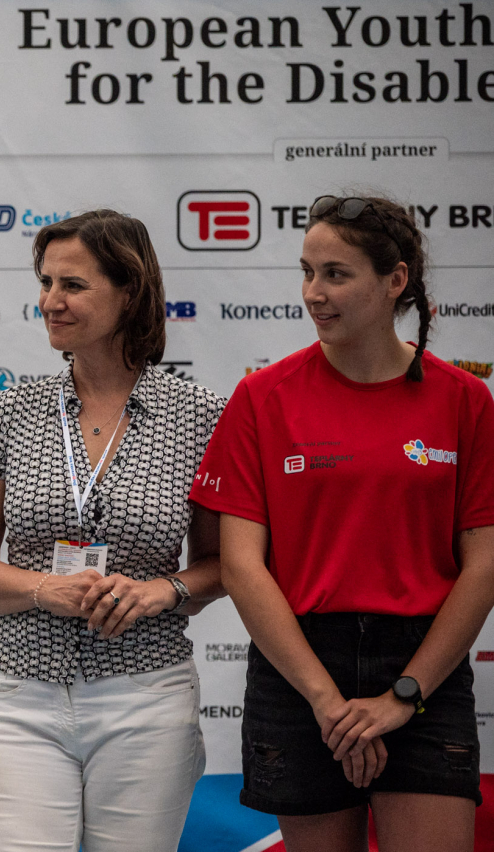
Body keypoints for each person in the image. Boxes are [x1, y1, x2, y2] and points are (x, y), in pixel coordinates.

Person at [191, 194, 494, 851]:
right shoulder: (262, 397)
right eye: (307, 272)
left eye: (335, 274)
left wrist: (403, 695)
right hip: (298, 667)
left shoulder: (466, 400)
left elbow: (484, 566)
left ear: (395, 280)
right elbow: (241, 566)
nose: (314, 293)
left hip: (424, 669)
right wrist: (328, 702)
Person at [0, 210, 227, 851]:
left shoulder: (201, 416)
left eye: (72, 285)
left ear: (129, 292)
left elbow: (224, 564)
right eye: (46, 283)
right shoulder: (8, 412)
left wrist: (159, 592)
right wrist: (45, 588)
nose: (51, 301)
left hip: (146, 695)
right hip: (22, 693)